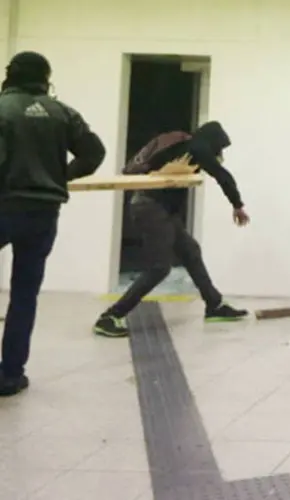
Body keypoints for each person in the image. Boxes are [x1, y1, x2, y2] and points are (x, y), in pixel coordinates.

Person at [0, 51, 106, 396]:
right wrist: (60, 176)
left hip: (3, 205)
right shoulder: (63, 113)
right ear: (46, 78)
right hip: (44, 212)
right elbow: (95, 153)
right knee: (24, 294)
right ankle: (10, 375)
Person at [93, 122, 250, 338]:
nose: (220, 153)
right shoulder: (197, 147)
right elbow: (222, 176)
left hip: (161, 208)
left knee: (190, 251)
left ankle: (214, 305)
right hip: (151, 208)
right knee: (159, 268)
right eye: (220, 148)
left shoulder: (186, 147)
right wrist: (238, 205)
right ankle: (110, 316)